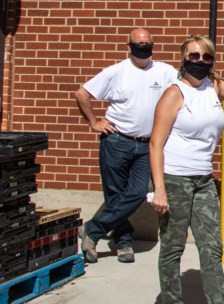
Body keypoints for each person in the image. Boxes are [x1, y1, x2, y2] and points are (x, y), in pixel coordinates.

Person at [149, 35, 224, 304]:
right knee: (173, 247)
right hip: (175, 179)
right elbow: (155, 144)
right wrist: (159, 190)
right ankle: (172, 300)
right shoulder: (175, 93)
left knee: (212, 247)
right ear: (184, 59)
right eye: (194, 56)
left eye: (206, 57)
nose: (200, 61)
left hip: (204, 180)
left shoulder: (215, 86)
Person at [74, 27, 177, 264]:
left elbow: (184, 87)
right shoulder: (115, 72)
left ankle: (92, 229)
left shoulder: (164, 71)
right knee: (114, 195)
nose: (144, 47)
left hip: (146, 146)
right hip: (117, 141)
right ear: (128, 46)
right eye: (139, 44)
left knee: (139, 192)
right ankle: (124, 243)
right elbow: (81, 94)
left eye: (148, 43)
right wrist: (94, 122)